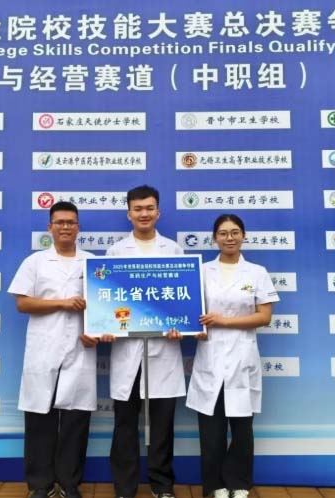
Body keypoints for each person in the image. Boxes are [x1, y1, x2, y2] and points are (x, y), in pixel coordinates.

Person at [8, 201, 99, 498]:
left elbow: (104, 307)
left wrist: (95, 333)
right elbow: (23, 303)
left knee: (75, 421)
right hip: (43, 348)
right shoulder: (35, 262)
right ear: (50, 227)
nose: (65, 227)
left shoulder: (91, 263)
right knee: (39, 419)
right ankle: (41, 485)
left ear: (78, 227)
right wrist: (62, 303)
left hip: (80, 348)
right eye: (59, 222)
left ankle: (70, 484)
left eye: (71, 222)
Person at [186, 214, 279, 498]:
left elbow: (264, 316)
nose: (230, 238)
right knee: (211, 430)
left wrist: (224, 321)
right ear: (214, 238)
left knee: (242, 427)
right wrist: (195, 330)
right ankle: (215, 485)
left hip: (242, 355)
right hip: (210, 355)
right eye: (223, 233)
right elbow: (190, 312)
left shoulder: (257, 272)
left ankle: (239, 484)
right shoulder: (201, 271)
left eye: (235, 232)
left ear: (243, 236)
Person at [102, 185, 185, 498]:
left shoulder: (173, 250)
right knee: (125, 424)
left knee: (162, 424)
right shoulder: (116, 252)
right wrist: (104, 326)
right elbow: (106, 301)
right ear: (129, 214)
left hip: (164, 349)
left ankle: (162, 485)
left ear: (158, 212)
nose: (144, 214)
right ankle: (125, 487)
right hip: (128, 350)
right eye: (138, 209)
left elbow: (183, 299)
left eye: (149, 208)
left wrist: (182, 326)